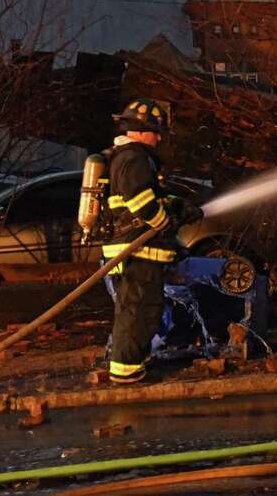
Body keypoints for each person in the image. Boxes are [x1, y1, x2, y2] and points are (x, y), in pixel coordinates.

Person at [102, 99, 199, 384]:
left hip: (135, 249)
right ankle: (125, 372)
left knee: (143, 310)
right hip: (137, 249)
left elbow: (151, 196)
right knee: (137, 311)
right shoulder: (133, 157)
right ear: (140, 130)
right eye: (155, 131)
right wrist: (165, 223)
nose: (158, 137)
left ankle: (136, 362)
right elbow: (141, 202)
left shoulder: (128, 157)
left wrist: (178, 205)